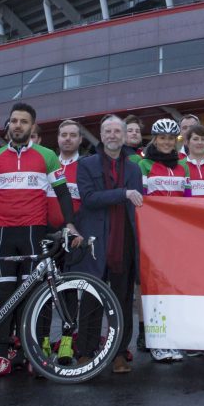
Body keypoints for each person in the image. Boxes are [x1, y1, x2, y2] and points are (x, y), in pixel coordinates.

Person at [0, 103, 78, 379]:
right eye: (14, 121)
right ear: (8, 125)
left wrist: (69, 223)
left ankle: (30, 352)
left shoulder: (47, 156)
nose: (17, 125)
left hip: (34, 233)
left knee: (31, 296)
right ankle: (1, 355)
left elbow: (62, 192)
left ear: (32, 127)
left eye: (23, 121)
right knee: (5, 296)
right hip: (4, 233)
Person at [75, 115, 143, 374]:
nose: (113, 135)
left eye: (117, 131)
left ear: (125, 136)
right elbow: (89, 198)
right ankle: (85, 352)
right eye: (107, 131)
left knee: (123, 300)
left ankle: (118, 354)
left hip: (124, 241)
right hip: (96, 241)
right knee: (91, 299)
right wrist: (123, 193)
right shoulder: (86, 164)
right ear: (101, 135)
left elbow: (138, 209)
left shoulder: (134, 169)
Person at [137, 118, 188, 362]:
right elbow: (144, 201)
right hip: (153, 234)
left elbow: (189, 202)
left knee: (173, 287)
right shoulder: (144, 165)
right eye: (162, 138)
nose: (167, 142)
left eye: (171, 138)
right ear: (154, 139)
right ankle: (156, 340)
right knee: (155, 286)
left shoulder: (182, 167)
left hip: (176, 236)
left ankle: (173, 337)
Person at [47, 119, 85, 231]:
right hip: (45, 233)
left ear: (80, 139)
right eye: (64, 135)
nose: (68, 138)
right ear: (58, 139)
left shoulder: (87, 168)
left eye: (73, 135)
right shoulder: (46, 166)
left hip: (77, 232)